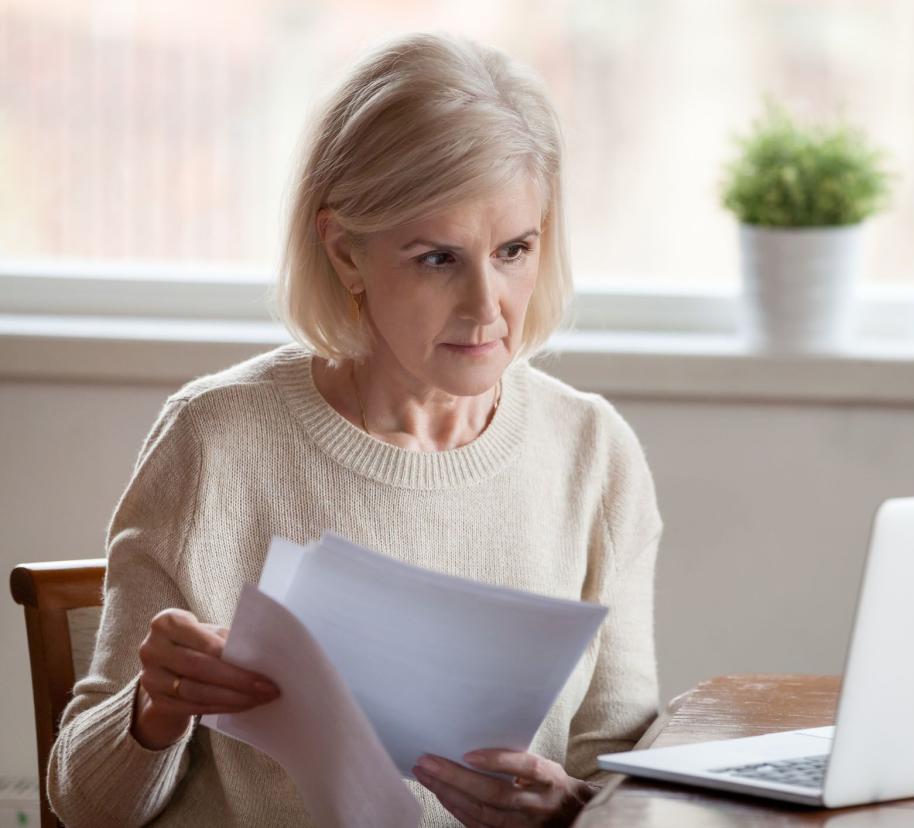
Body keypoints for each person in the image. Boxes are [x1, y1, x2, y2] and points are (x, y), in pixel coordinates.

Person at [46, 33, 661, 828]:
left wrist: (572, 809)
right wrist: (153, 709)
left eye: (515, 250)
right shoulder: (215, 441)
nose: (487, 306)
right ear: (344, 252)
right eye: (438, 259)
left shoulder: (593, 455)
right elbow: (86, 805)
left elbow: (627, 775)